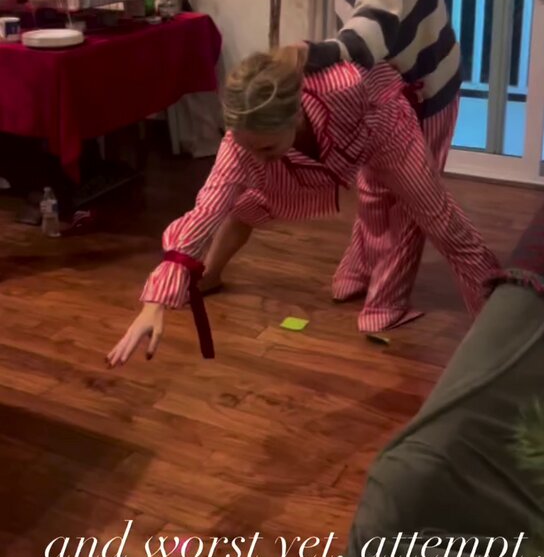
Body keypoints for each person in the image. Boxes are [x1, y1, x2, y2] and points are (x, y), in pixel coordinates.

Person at [106, 47, 499, 368]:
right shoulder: (244, 146)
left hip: (384, 127)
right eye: (243, 146)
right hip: (307, 154)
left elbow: (385, 67)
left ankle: (500, 320)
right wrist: (154, 304)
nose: (253, 159)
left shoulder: (345, 85)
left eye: (263, 148)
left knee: (441, 222)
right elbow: (205, 211)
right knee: (243, 201)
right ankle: (209, 274)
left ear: (295, 116)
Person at [290, 0, 462, 324]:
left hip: (426, 84)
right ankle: (361, 266)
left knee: (412, 197)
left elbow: (377, 18)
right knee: (371, 185)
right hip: (382, 82)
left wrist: (320, 54)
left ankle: (386, 301)